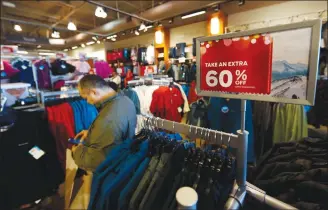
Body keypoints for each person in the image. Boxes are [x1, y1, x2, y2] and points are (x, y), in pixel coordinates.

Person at [72, 75, 137, 172]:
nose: (88, 102)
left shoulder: (107, 119)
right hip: (124, 165)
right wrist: (92, 132)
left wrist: (76, 152)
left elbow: (96, 161)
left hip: (113, 174)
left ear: (94, 92)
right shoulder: (126, 100)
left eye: (86, 98)